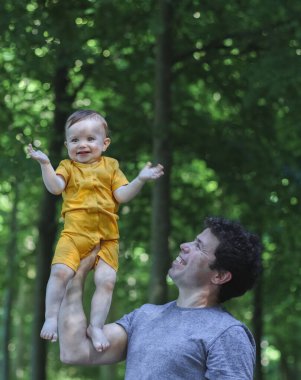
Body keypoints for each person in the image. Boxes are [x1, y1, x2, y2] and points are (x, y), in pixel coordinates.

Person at [58, 216, 262, 379]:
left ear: (219, 275)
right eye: (193, 240)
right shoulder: (145, 316)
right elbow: (74, 350)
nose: (184, 245)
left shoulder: (227, 333)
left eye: (199, 246)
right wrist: (75, 275)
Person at [27, 109, 164, 351]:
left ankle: (97, 326)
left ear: (105, 143)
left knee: (107, 280)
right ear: (67, 143)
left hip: (107, 237)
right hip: (74, 234)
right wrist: (45, 164)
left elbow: (121, 195)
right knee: (60, 273)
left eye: (91, 139)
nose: (83, 144)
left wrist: (140, 180)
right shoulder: (66, 166)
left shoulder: (111, 166)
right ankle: (50, 317)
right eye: (75, 140)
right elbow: (55, 188)